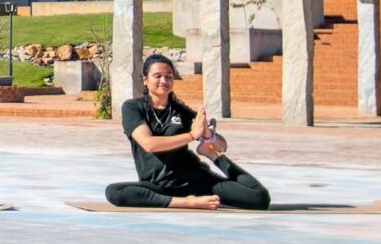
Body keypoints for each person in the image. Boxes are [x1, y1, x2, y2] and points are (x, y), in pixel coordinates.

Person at [104, 54, 271, 210]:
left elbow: (222, 145)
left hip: (195, 179)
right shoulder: (133, 108)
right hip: (159, 186)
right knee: (114, 191)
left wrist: (209, 138)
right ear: (145, 80)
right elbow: (149, 144)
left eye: (169, 76)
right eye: (158, 76)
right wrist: (191, 136)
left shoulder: (182, 112)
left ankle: (207, 165)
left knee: (259, 198)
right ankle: (186, 202)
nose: (164, 80)